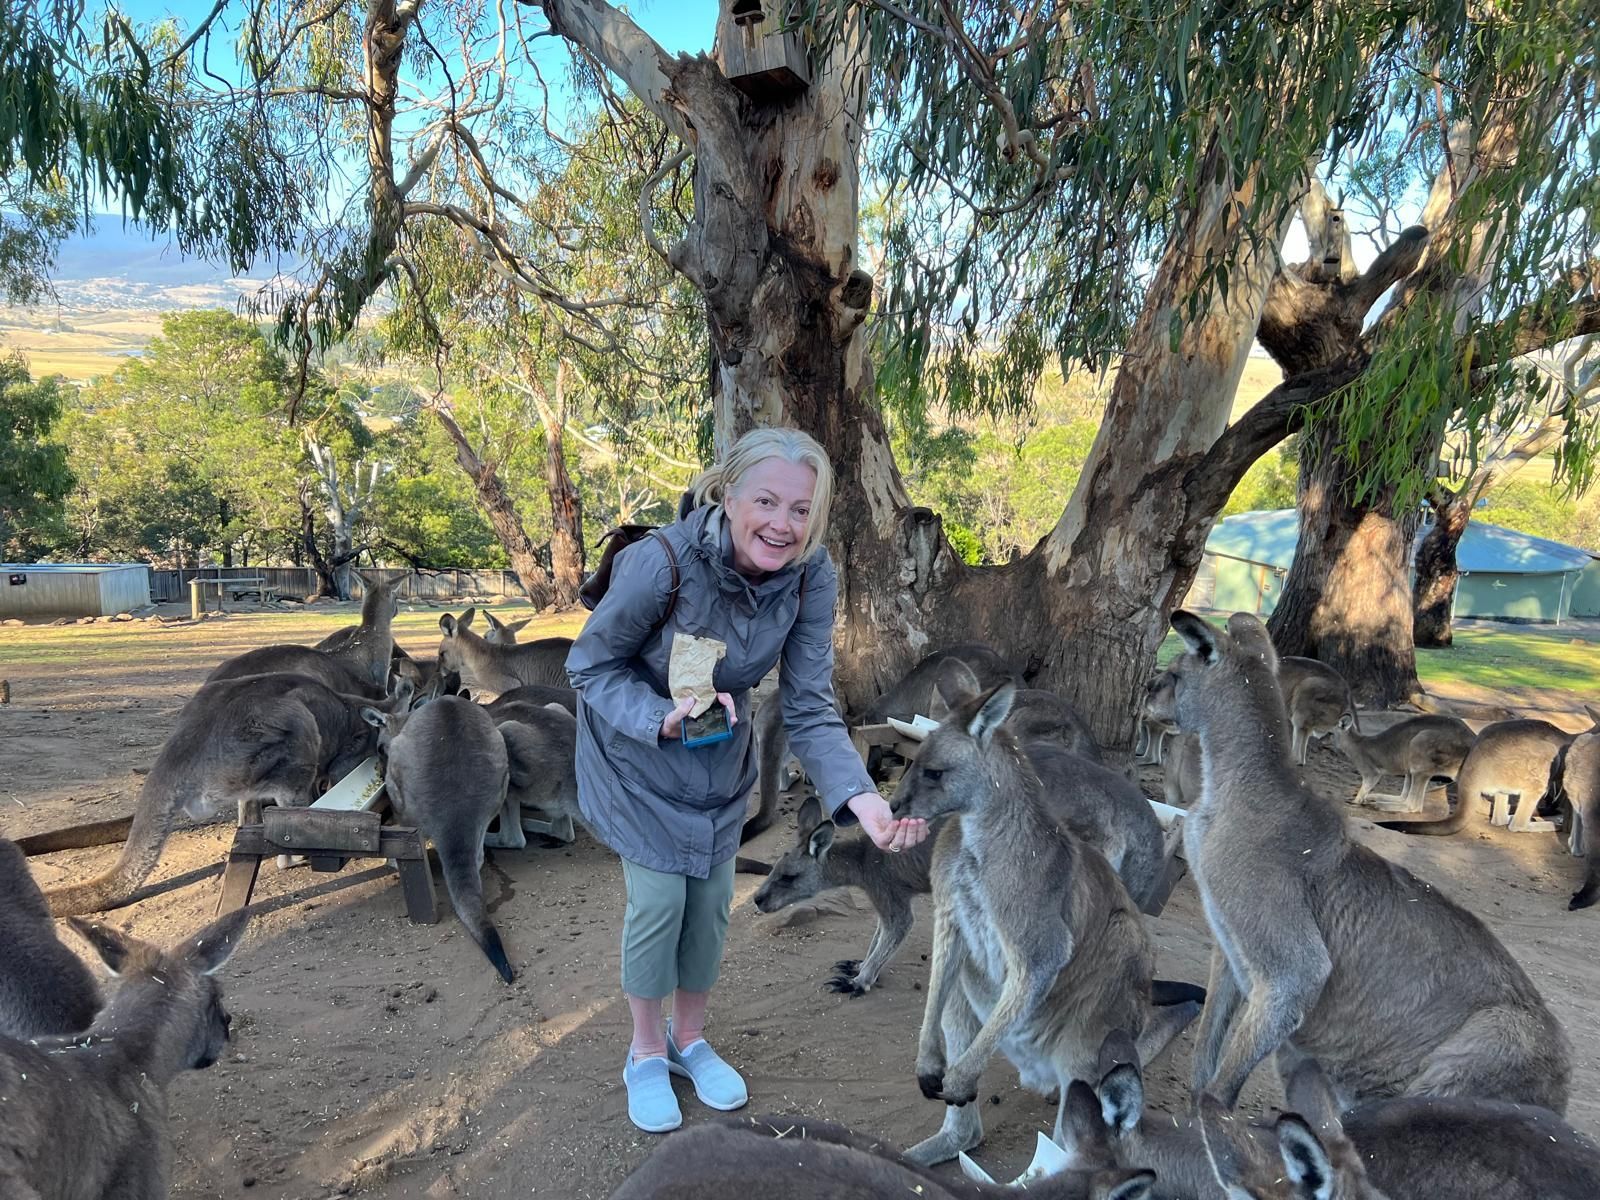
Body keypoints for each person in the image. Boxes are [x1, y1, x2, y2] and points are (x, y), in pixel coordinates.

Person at [566, 427, 929, 1134]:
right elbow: (588, 666)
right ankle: (644, 1052)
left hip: (717, 757)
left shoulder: (810, 576)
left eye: (801, 510)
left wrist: (865, 804)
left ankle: (689, 1040)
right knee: (660, 904)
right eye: (766, 501)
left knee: (709, 907)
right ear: (727, 494)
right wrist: (657, 718)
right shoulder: (660, 563)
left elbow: (810, 706)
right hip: (636, 755)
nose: (783, 524)